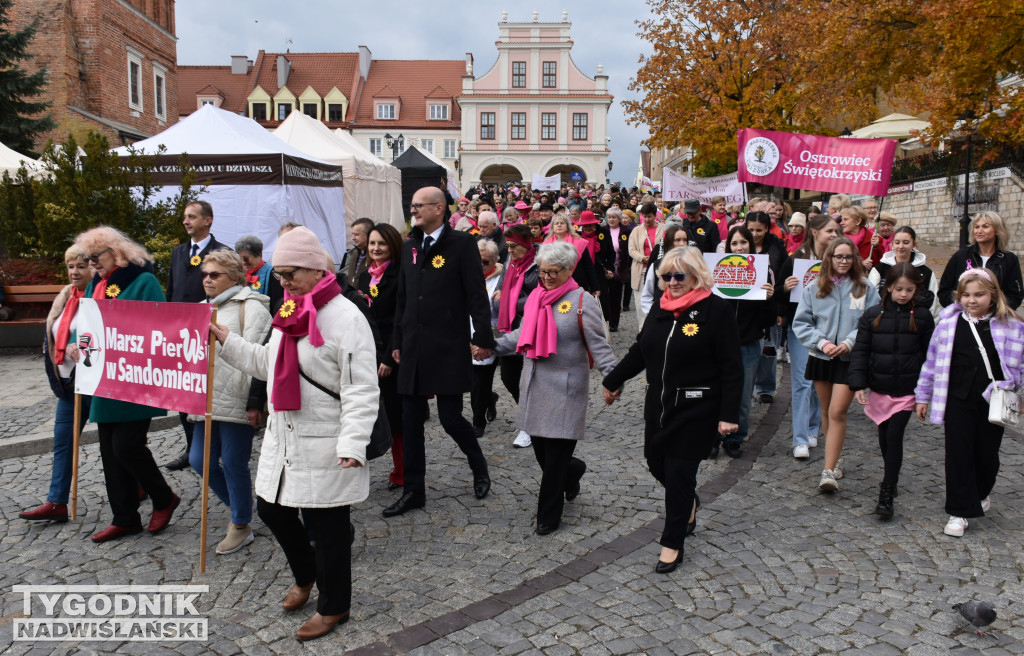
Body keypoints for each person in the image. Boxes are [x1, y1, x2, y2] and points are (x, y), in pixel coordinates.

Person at [210, 226, 378, 640]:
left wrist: (353, 443)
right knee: (271, 510)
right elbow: (269, 364)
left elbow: (361, 387)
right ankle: (306, 575)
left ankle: (334, 605)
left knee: (329, 529)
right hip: (286, 433)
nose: (282, 282)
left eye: (290, 274)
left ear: (316, 268)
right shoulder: (290, 310)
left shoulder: (346, 317)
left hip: (327, 437)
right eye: (280, 274)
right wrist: (226, 340)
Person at [603, 246, 742, 573]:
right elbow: (641, 350)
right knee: (655, 462)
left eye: (679, 275)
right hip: (659, 405)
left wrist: (729, 414)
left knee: (680, 474)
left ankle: (672, 541)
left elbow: (732, 368)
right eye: (666, 276)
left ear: (697, 275)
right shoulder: (662, 309)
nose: (672, 282)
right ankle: (688, 502)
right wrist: (613, 379)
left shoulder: (716, 310)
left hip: (697, 408)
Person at [491, 242, 616, 535]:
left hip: (566, 390)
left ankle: (549, 515)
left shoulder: (582, 301)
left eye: (552, 272)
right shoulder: (537, 296)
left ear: (570, 270)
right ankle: (574, 473)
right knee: (544, 456)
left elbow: (600, 346)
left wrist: (612, 380)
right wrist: (492, 347)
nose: (545, 278)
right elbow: (523, 334)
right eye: (542, 271)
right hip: (535, 386)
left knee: (556, 460)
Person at [385, 186, 496, 517]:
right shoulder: (409, 247)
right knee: (410, 419)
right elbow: (401, 300)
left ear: (439, 209)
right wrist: (395, 342)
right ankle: (414, 490)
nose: (414, 210)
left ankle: (479, 467)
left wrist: (483, 339)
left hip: (447, 345)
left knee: (450, 419)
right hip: (413, 347)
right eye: (412, 205)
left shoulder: (461, 245)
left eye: (419, 205)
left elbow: (477, 295)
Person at [74, 226, 178, 543]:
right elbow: (89, 325)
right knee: (109, 449)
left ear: (116, 252)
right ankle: (125, 517)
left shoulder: (142, 281)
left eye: (96, 256)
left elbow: (162, 325)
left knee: (127, 446)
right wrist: (78, 343)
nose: (92, 263)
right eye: (88, 258)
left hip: (135, 379)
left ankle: (163, 497)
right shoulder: (97, 284)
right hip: (105, 377)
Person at [915, 268, 1024, 537]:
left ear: (993, 295)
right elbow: (931, 363)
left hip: (993, 399)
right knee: (958, 453)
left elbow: (1020, 364)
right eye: (966, 295)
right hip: (957, 398)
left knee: (987, 456)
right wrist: (923, 395)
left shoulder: (1011, 325)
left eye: (979, 295)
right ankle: (959, 511)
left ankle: (980, 492)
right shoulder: (948, 325)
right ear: (958, 296)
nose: (972, 300)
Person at [188, 249, 271, 554]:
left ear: (234, 277)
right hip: (206, 399)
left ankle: (240, 523)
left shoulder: (252, 308)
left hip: (236, 398)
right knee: (199, 460)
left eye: (215, 275)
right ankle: (243, 505)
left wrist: (254, 402)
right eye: (205, 274)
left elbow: (258, 356)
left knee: (235, 462)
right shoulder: (198, 308)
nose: (207, 280)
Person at [793, 237, 880, 492]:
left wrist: (850, 342)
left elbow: (871, 321)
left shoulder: (865, 288)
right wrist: (821, 343)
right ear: (828, 258)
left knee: (837, 411)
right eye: (838, 256)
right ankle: (836, 456)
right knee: (825, 409)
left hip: (850, 359)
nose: (843, 261)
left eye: (848, 257)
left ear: (854, 259)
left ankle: (828, 471)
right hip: (821, 356)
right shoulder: (814, 288)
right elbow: (802, 324)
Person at [848, 263, 934, 519]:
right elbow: (861, 351)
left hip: (908, 390)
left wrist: (926, 392)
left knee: (894, 436)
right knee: (884, 438)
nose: (904, 294)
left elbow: (931, 355)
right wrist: (858, 383)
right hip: (879, 387)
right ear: (889, 288)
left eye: (910, 289)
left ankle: (887, 491)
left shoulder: (922, 316)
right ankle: (892, 477)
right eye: (899, 289)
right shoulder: (872, 314)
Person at [19, 245, 94, 522]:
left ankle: (143, 488)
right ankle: (57, 502)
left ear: (93, 268)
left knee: (121, 447)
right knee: (63, 443)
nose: (74, 272)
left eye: (81, 266)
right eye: (70, 267)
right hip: (67, 386)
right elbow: (52, 333)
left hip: (93, 385)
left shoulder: (99, 298)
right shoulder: (66, 296)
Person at [165, 200, 227, 471]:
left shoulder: (222, 252)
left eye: (192, 217)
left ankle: (214, 447)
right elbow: (171, 291)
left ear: (208, 220)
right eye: (184, 217)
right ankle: (192, 447)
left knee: (208, 393)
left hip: (207, 332)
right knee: (183, 394)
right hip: (179, 333)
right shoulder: (179, 253)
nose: (186, 221)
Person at [777, 214, 840, 459]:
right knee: (802, 382)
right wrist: (786, 287)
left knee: (820, 383)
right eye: (830, 231)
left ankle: (813, 429)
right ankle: (800, 439)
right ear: (815, 232)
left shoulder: (840, 259)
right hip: (801, 329)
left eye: (836, 231)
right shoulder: (796, 260)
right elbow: (779, 294)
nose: (835, 235)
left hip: (830, 329)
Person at [718, 227, 776, 459]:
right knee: (715, 391)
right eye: (734, 244)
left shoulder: (764, 271)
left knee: (742, 395)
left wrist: (769, 299)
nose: (739, 247)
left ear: (751, 245)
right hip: (719, 343)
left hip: (749, 342)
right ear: (728, 247)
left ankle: (734, 438)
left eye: (743, 243)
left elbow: (769, 320)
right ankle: (713, 436)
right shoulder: (717, 270)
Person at [356, 223, 405, 490]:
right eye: (372, 243)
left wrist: (387, 357)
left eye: (381, 244)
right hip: (368, 352)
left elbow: (399, 320)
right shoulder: (365, 277)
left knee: (396, 417)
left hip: (392, 355)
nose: (376, 249)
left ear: (392, 245)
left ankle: (402, 471)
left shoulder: (400, 276)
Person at [497, 224, 540, 449]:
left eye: (514, 246)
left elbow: (540, 296)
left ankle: (529, 425)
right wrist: (502, 292)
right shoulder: (509, 262)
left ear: (525, 244)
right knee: (508, 377)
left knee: (529, 380)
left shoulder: (540, 264)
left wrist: (513, 300)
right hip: (511, 326)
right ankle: (530, 416)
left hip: (533, 328)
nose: (510, 250)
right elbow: (505, 286)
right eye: (508, 246)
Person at [938, 211, 1023, 310]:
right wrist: (963, 305)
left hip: (996, 318)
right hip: (964, 316)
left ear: (997, 230)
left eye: (985, 226)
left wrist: (993, 309)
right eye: (976, 227)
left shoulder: (1009, 259)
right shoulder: (960, 256)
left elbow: (1015, 295)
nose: (979, 231)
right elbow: (944, 291)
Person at [746, 211, 787, 404]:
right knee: (749, 350)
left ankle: (766, 388)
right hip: (746, 309)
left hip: (771, 305)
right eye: (751, 229)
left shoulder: (777, 249)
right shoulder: (741, 246)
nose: (754, 234)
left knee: (768, 350)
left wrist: (780, 308)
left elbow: (785, 277)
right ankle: (748, 386)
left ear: (767, 229)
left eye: (759, 230)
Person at [868, 226, 940, 319]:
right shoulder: (879, 270)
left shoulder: (926, 272)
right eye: (897, 242)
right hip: (884, 322)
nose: (901, 246)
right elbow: (871, 299)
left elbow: (934, 305)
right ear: (892, 244)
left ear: (913, 244)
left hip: (915, 323)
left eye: (906, 242)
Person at [470, 239, 503, 438]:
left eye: (486, 262)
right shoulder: (468, 277)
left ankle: (478, 422)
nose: (481, 266)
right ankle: (490, 399)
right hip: (467, 334)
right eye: (478, 261)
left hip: (490, 336)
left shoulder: (499, 280)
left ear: (494, 261)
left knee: (480, 382)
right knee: (473, 381)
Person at [628, 203, 665, 327]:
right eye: (645, 217)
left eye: (649, 216)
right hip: (641, 271)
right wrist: (642, 258)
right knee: (641, 306)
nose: (647, 219)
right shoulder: (636, 230)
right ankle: (642, 333)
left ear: (655, 216)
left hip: (659, 270)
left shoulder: (664, 229)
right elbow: (631, 249)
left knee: (658, 304)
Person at [543, 213, 600, 294]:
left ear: (567, 226)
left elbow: (588, 266)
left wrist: (595, 287)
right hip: (554, 286)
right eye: (556, 223)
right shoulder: (545, 245)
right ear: (552, 227)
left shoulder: (580, 242)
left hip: (578, 285)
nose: (559, 225)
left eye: (562, 223)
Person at [640, 225, 689, 316]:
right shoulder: (657, 265)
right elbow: (647, 294)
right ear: (670, 242)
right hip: (662, 314)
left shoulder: (693, 265)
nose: (682, 244)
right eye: (678, 240)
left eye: (685, 240)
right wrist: (652, 314)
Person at [598, 207, 632, 332]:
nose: (611, 219)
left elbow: (629, 250)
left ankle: (614, 323)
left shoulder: (626, 231)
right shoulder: (602, 230)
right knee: (603, 297)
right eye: (609, 217)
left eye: (614, 217)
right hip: (605, 269)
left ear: (619, 219)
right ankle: (603, 321)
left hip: (620, 269)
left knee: (615, 298)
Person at [236, 235, 283, 311]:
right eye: (240, 258)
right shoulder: (239, 274)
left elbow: (276, 305)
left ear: (259, 254)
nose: (243, 262)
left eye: (246, 258)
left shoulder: (272, 274)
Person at [341, 218, 374, 285]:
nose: (353, 238)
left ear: (368, 235)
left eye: (356, 235)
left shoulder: (374, 255)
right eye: (353, 234)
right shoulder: (355, 253)